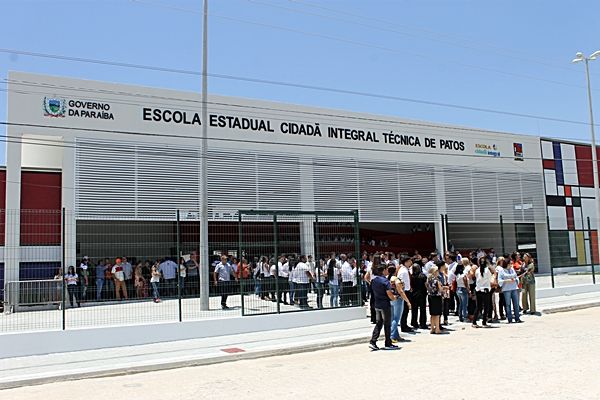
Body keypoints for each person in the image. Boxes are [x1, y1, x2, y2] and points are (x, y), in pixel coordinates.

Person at [369, 264, 398, 350]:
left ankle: (373, 341)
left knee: (379, 323)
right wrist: (394, 298)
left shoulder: (374, 281)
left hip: (377, 304)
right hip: (385, 305)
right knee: (387, 324)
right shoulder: (385, 281)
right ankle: (388, 343)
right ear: (384, 270)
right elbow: (389, 293)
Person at [388, 266, 410, 343]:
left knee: (392, 318)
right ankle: (392, 336)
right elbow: (400, 291)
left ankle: (396, 335)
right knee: (396, 319)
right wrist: (407, 301)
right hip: (398, 300)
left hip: (391, 299)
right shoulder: (396, 280)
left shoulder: (388, 278)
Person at [498, 256, 522, 323]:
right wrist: (507, 280)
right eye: (509, 264)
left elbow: (516, 277)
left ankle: (517, 318)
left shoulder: (512, 269)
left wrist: (516, 281)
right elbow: (499, 280)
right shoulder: (501, 271)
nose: (511, 265)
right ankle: (510, 318)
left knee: (516, 303)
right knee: (508, 304)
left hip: (514, 288)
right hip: (506, 289)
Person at [471, 256, 493, 328]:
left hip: (478, 290)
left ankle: (474, 322)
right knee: (486, 307)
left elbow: (476, 278)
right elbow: (490, 279)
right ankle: (484, 322)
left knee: (478, 307)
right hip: (485, 290)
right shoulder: (487, 270)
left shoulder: (477, 270)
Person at [398, 256, 414, 333]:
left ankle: (405, 324)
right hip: (405, 292)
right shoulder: (403, 271)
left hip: (407, 290)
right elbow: (401, 282)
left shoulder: (405, 270)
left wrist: (409, 286)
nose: (411, 263)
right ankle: (403, 326)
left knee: (406, 310)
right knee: (405, 310)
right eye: (410, 261)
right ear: (406, 262)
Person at [410, 261, 428, 330]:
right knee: (422, 309)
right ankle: (423, 323)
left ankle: (414, 322)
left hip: (414, 294)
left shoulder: (412, 276)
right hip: (422, 294)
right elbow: (426, 284)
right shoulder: (423, 276)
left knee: (414, 309)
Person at [426, 265, 444, 334]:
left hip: (430, 296)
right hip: (436, 297)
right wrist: (443, 289)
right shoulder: (436, 280)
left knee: (432, 313)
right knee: (437, 314)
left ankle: (432, 328)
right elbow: (440, 289)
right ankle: (437, 329)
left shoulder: (428, 279)